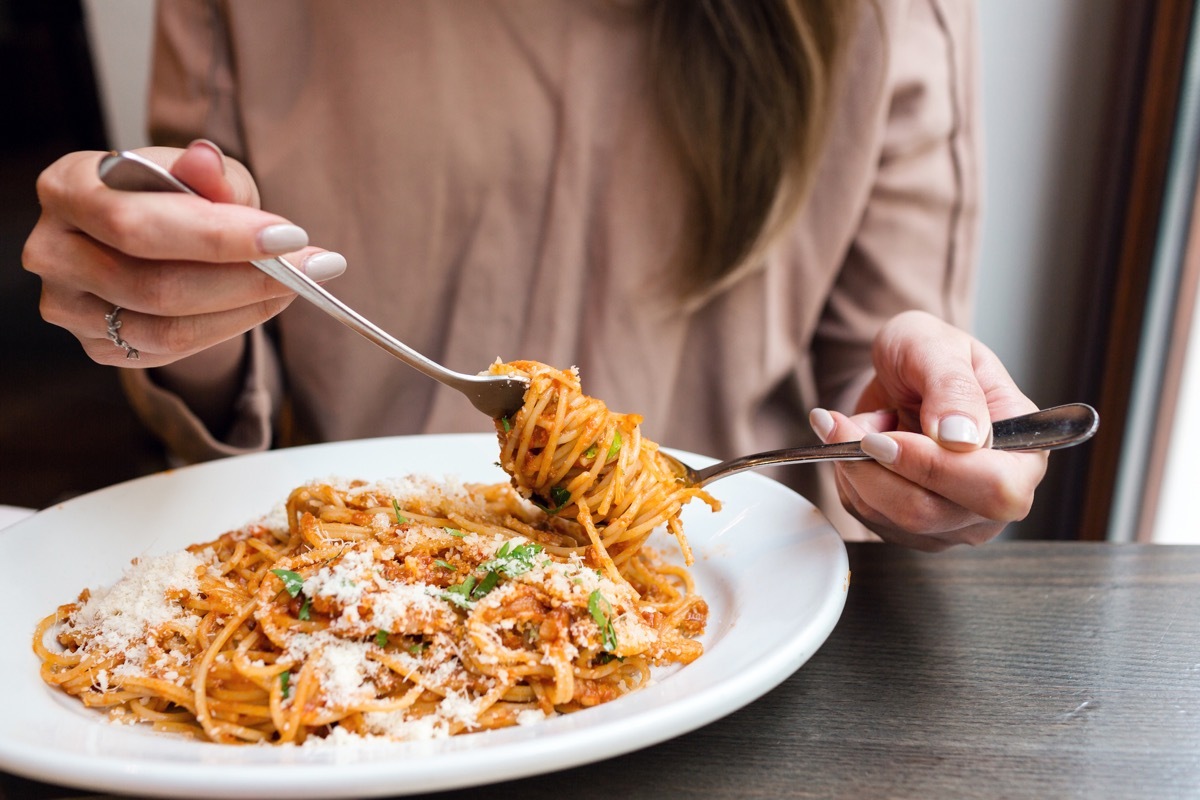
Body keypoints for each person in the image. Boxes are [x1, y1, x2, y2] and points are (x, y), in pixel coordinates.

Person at [22, 0, 1046, 551]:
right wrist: (168, 304)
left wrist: (919, 461)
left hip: (728, 615)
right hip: (348, 586)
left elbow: (876, 395)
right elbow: (220, 393)